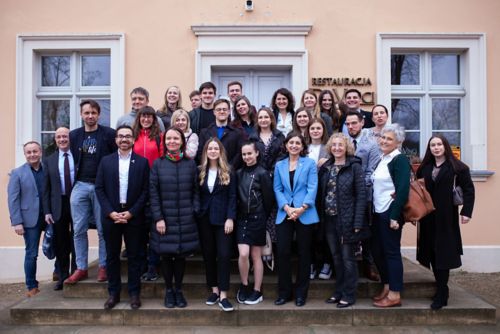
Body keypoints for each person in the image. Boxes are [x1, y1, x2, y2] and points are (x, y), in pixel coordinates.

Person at [416, 135, 475, 310]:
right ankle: (441, 288)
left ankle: (442, 292)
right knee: (432, 253)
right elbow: (418, 191)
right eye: (432, 145)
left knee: (444, 254)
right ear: (429, 148)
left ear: (445, 146)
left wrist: (466, 212)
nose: (436, 147)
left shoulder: (458, 168)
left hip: (447, 218)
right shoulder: (424, 168)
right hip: (428, 218)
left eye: (439, 144)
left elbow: (469, 190)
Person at [95, 125, 150, 310]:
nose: (124, 139)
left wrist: (132, 212)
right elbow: (99, 189)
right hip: (111, 215)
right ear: (116, 140)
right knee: (112, 257)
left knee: (134, 257)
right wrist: (110, 212)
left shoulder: (142, 162)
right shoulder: (105, 161)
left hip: (133, 216)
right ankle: (114, 293)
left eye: (128, 136)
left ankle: (134, 294)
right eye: (121, 136)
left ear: (133, 139)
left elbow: (145, 191)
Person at [65, 99, 117, 284]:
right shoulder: (74, 136)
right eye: (86, 113)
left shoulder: (109, 134)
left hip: (100, 187)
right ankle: (81, 267)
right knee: (78, 229)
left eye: (93, 113)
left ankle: (103, 266)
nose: (90, 116)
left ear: (98, 114)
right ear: (81, 115)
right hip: (79, 186)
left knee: (103, 230)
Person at [149, 127, 200, 309]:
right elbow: (153, 194)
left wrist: (195, 209)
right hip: (165, 219)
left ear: (182, 141)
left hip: (186, 218)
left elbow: (196, 190)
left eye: (176, 138)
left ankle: (179, 290)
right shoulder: (158, 164)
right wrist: (158, 218)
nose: (172, 141)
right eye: (169, 139)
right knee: (166, 256)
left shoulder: (190, 163)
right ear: (164, 142)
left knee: (181, 257)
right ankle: (169, 290)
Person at [318, 133, 367, 307]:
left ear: (346, 147)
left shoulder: (354, 166)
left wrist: (358, 222)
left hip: (347, 220)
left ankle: (349, 293)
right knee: (336, 258)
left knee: (348, 259)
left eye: (340, 145)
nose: (337, 148)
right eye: (334, 145)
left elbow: (361, 196)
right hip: (329, 220)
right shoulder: (327, 167)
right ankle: (338, 291)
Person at [273, 132, 319, 307]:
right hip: (285, 212)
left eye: (297, 143)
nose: (294, 145)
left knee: (304, 254)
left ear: (302, 146)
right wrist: (286, 207)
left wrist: (301, 209)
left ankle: (301, 293)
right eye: (291, 142)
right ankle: (284, 293)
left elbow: (312, 187)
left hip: (304, 213)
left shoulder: (309, 163)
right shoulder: (279, 165)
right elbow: (277, 188)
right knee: (283, 252)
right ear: (286, 145)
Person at [371, 124, 411, 308]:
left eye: (389, 139)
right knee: (378, 251)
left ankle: (395, 294)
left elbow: (402, 189)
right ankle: (387, 287)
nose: (384, 141)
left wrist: (395, 216)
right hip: (379, 211)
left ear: (398, 142)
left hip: (390, 212)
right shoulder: (383, 158)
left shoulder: (399, 159)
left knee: (392, 253)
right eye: (383, 137)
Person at [197, 138, 237, 312]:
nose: (213, 151)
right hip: (205, 219)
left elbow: (233, 197)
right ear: (206, 151)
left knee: (224, 255)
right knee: (208, 255)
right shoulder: (200, 171)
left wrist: (230, 218)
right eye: (210, 148)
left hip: (223, 220)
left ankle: (223, 295)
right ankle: (214, 290)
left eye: (216, 148)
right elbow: (196, 194)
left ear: (220, 151)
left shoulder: (229, 171)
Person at [235, 142, 274, 305]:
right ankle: (244, 285)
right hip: (242, 218)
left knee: (256, 255)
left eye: (249, 153)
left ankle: (257, 290)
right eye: (244, 154)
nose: (247, 157)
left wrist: (261, 216)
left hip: (257, 218)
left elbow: (269, 199)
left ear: (257, 153)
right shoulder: (238, 173)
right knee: (243, 253)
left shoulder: (262, 173)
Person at [345, 111, 381, 281]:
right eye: (348, 124)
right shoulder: (344, 143)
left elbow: (371, 170)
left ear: (361, 123)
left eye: (354, 123)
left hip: (364, 195)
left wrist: (357, 186)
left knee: (366, 230)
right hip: (345, 196)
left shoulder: (372, 145)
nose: (351, 127)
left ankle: (368, 264)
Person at [7, 141, 45, 297]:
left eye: (35, 151)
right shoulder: (17, 173)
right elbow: (13, 199)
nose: (32, 155)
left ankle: (59, 274)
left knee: (60, 246)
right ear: (25, 155)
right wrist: (17, 222)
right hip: (29, 219)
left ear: (40, 152)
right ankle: (31, 286)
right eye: (28, 152)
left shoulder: (47, 170)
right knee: (32, 253)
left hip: (49, 217)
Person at [132, 106, 164, 281]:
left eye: (149, 117)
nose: (146, 119)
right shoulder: (133, 136)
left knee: (153, 227)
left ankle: (153, 265)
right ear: (139, 118)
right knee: (139, 230)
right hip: (135, 186)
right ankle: (141, 264)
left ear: (153, 119)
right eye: (143, 116)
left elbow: (161, 159)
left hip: (153, 186)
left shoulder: (159, 137)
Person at [42, 127, 76, 291]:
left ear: (70, 138)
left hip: (77, 202)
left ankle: (76, 272)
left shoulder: (78, 156)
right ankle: (62, 277)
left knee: (77, 239)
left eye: (65, 136)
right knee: (61, 242)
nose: (62, 139)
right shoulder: (49, 160)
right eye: (59, 137)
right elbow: (46, 188)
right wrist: (47, 211)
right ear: (55, 140)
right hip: (58, 205)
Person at [307, 118, 330, 280]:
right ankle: (312, 264)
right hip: (307, 195)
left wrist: (327, 162)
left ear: (323, 130)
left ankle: (326, 264)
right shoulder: (304, 148)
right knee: (310, 232)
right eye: (312, 128)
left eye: (318, 128)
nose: (315, 131)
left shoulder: (328, 148)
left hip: (325, 193)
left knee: (325, 231)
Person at [197, 98, 244, 168]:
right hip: (210, 170)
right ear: (214, 112)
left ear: (229, 112)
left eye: (224, 109)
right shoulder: (205, 132)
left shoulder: (237, 133)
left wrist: (228, 168)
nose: (222, 112)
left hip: (230, 172)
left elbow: (239, 154)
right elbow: (201, 153)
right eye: (218, 109)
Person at [249, 107, 285, 174]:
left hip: (276, 173)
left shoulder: (280, 136)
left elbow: (282, 155)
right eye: (260, 117)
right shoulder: (252, 138)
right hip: (257, 175)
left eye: (266, 117)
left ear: (271, 119)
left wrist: (273, 171)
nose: (263, 120)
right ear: (257, 120)